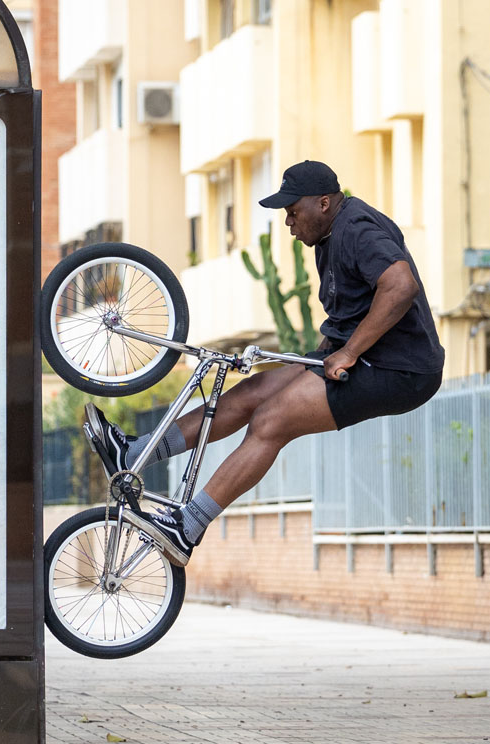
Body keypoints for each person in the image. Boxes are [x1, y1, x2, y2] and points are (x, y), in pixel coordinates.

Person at [86, 160, 445, 566]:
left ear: (324, 203)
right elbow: (353, 307)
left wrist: (347, 353)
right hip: (363, 354)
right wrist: (317, 353)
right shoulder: (331, 234)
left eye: (293, 212)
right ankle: (135, 455)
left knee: (271, 421)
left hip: (399, 370)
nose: (289, 222)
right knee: (248, 394)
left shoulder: (357, 229)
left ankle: (187, 527)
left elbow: (400, 286)